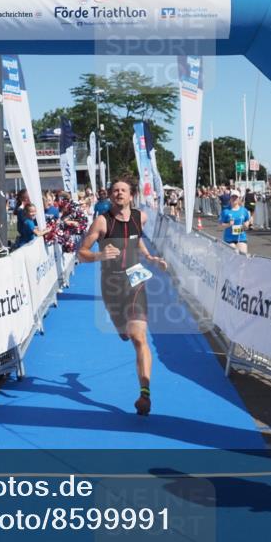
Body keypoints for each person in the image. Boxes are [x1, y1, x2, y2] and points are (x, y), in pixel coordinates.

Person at [78, 178, 167, 416]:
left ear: (131, 195)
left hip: (135, 281)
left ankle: (144, 394)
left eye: (123, 190)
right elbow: (81, 253)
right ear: (110, 195)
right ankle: (120, 326)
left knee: (140, 338)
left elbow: (137, 243)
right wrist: (99, 255)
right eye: (115, 190)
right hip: (112, 284)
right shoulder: (102, 222)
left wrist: (150, 258)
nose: (119, 193)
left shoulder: (141, 217)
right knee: (124, 330)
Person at [219, 190, 251, 255]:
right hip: (229, 239)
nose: (234, 199)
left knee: (243, 257)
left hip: (241, 237)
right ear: (230, 198)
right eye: (232, 197)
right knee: (233, 256)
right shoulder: (225, 211)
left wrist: (246, 225)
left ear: (239, 199)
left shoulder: (243, 210)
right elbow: (220, 225)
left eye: (236, 197)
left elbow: (247, 221)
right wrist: (228, 224)